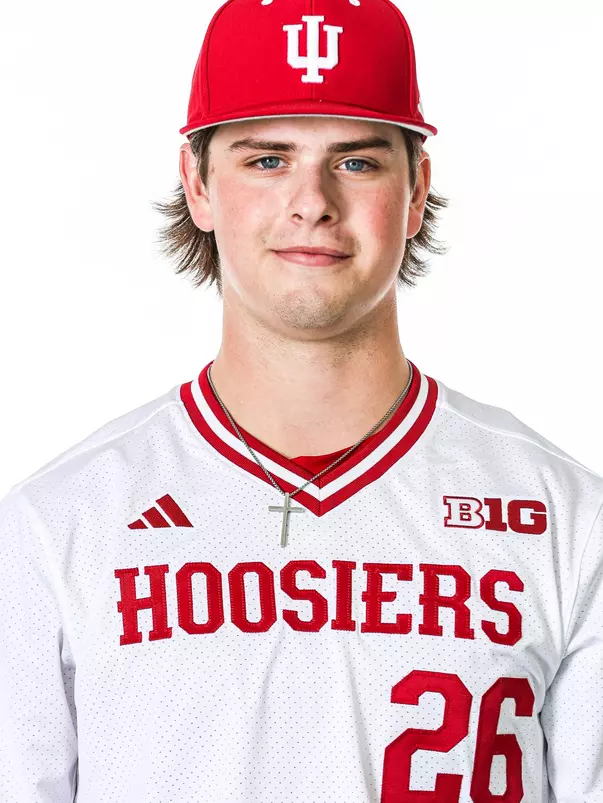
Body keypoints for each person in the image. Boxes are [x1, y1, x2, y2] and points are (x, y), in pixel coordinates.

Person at [1, 0, 602, 800]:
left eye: (356, 161)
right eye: (266, 159)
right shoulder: (58, 524)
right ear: (198, 184)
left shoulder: (562, 516)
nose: (311, 200)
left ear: (416, 188)